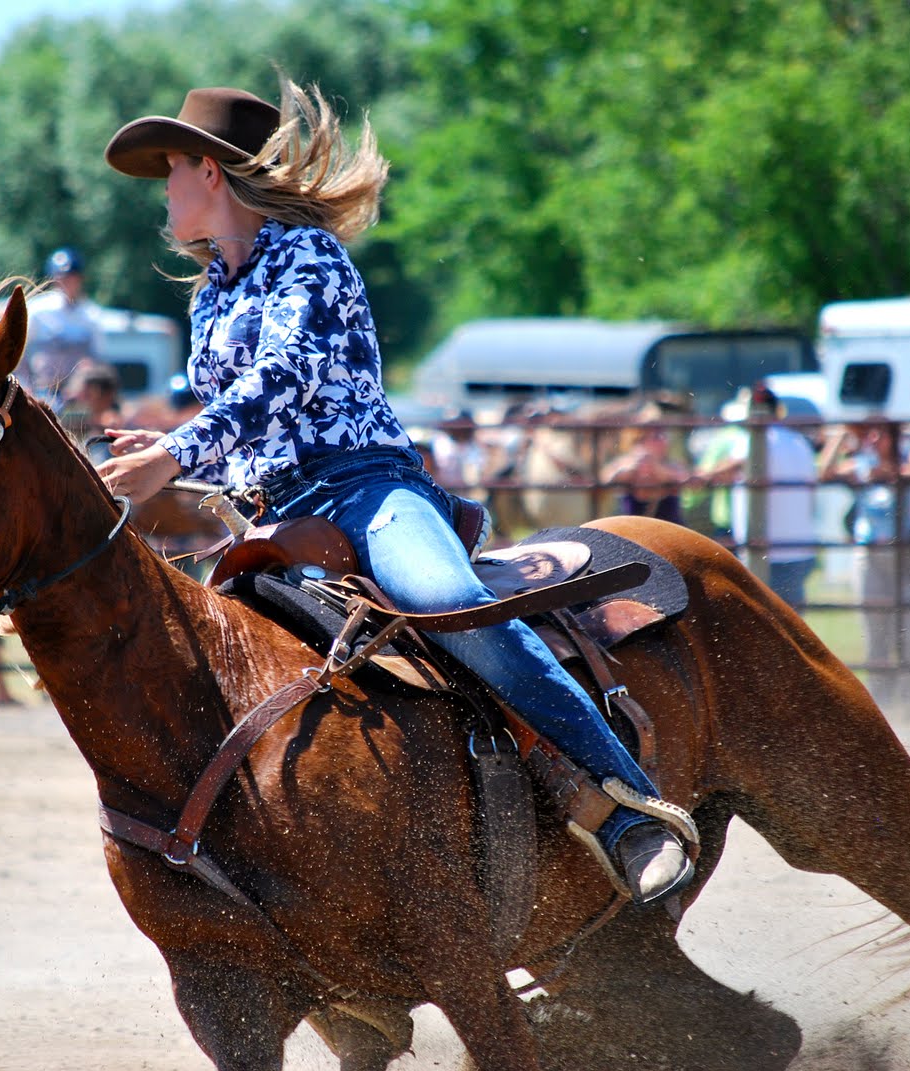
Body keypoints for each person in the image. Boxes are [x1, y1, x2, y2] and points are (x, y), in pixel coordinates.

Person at [95, 80, 693, 905]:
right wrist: (192, 460)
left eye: (169, 171)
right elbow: (250, 420)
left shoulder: (308, 254)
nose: (161, 192)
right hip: (274, 518)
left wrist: (171, 451)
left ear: (209, 172)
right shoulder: (213, 296)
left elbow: (286, 377)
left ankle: (632, 813)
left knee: (450, 600)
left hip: (366, 493)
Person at [817, 416, 910, 711]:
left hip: (907, 556)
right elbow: (824, 471)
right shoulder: (862, 465)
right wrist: (840, 436)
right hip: (871, 556)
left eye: (879, 434)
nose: (872, 440)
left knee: (908, 633)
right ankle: (880, 703)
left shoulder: (909, 461)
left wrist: (891, 471)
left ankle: (907, 702)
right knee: (875, 634)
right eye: (868, 434)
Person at [697, 384, 819, 610]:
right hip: (798, 546)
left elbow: (726, 469)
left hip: (766, 551)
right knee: (791, 622)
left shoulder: (753, 440)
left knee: (763, 621)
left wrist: (698, 476)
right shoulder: (799, 442)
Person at [21, 246, 103, 396]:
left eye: (71, 277)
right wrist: (23, 384)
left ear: (80, 278)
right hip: (41, 389)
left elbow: (98, 356)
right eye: (62, 277)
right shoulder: (37, 310)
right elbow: (20, 352)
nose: (66, 282)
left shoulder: (91, 315)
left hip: (78, 395)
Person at [600, 403, 691, 524]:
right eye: (655, 435)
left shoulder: (671, 464)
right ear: (640, 439)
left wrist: (656, 468)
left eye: (662, 433)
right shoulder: (627, 462)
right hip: (633, 533)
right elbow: (606, 479)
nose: (663, 439)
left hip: (670, 533)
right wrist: (631, 468)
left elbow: (685, 480)